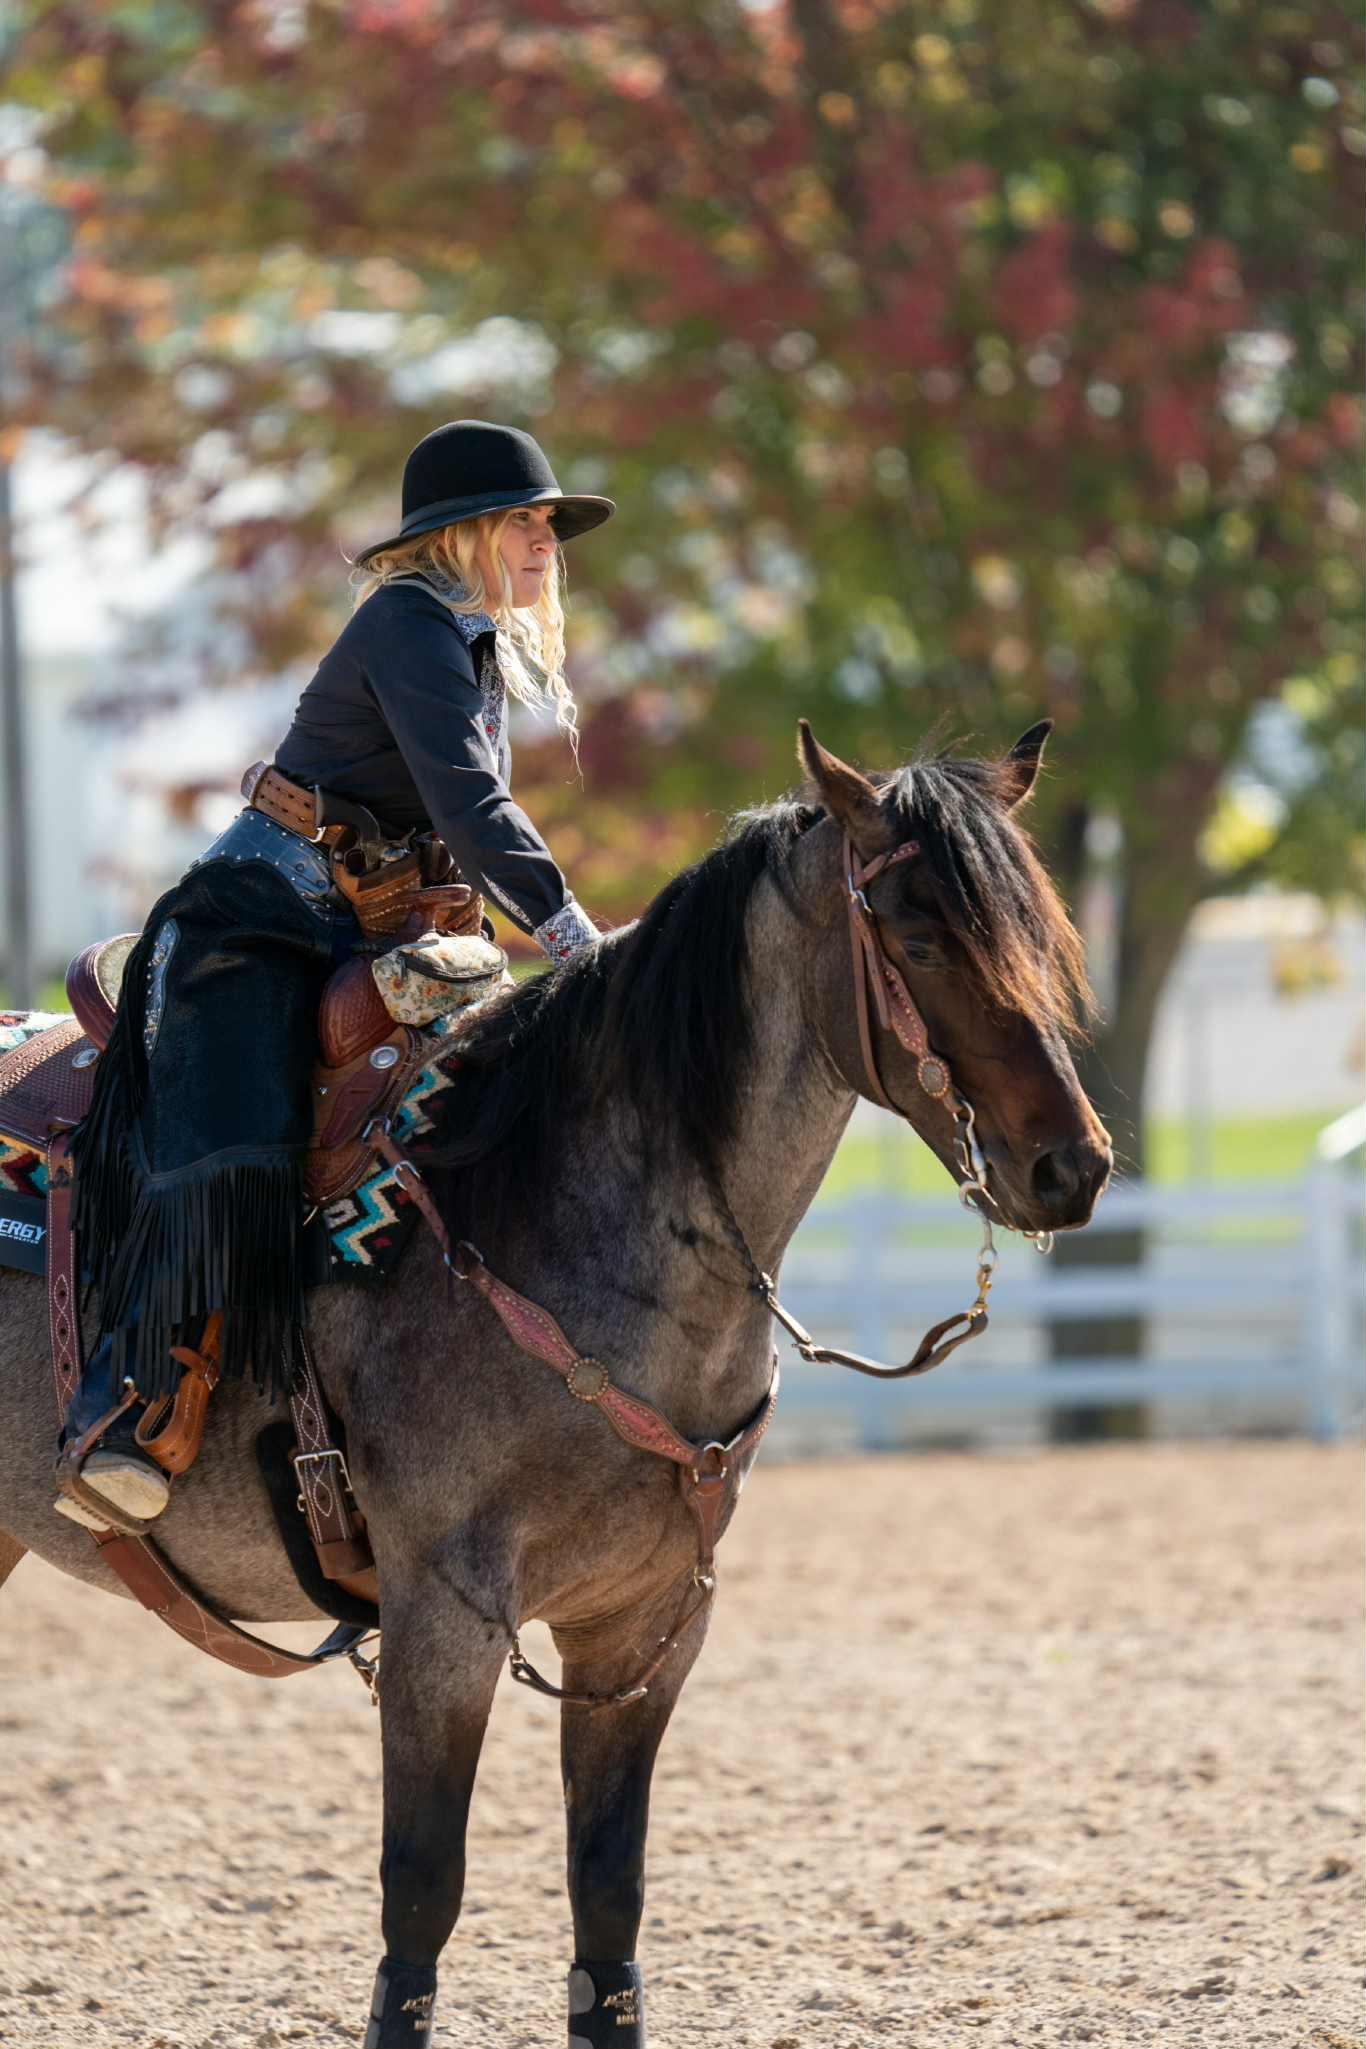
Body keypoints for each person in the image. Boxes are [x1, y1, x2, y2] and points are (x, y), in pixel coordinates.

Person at [58, 419, 612, 1528]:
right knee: (241, 1133)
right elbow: (472, 804)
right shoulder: (408, 620)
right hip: (256, 919)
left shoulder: (468, 640)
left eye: (550, 523)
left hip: (374, 928)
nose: (547, 541)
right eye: (524, 520)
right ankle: (130, 1400)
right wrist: (575, 941)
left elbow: (450, 824)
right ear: (460, 536)